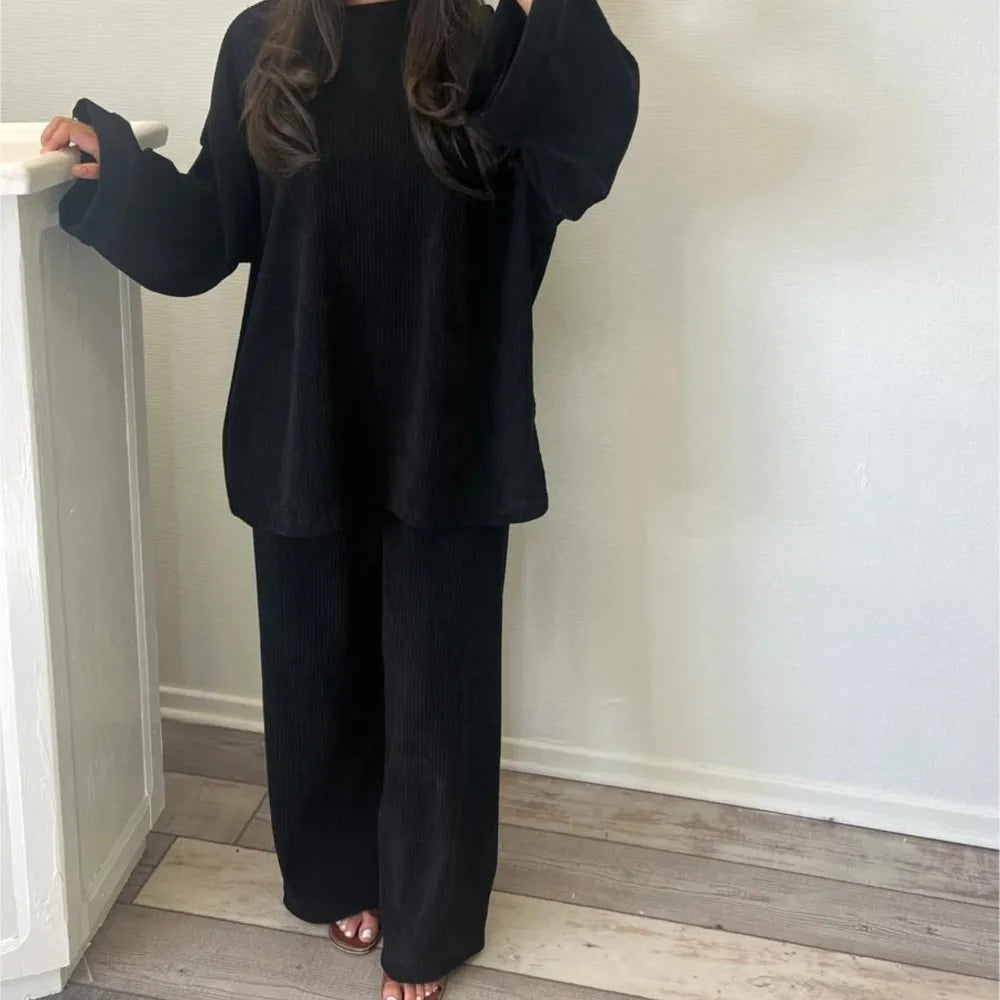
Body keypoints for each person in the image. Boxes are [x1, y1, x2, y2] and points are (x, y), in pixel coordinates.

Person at [41, 0, 638, 996]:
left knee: (440, 685)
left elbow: (584, 153)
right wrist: (122, 175)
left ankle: (429, 919)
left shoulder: (486, 37)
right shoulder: (262, 40)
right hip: (302, 412)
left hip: (450, 419)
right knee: (313, 667)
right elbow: (216, 226)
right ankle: (339, 872)